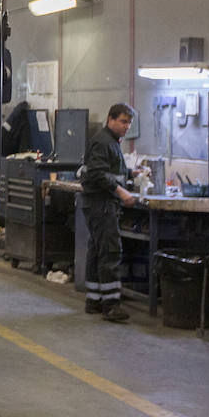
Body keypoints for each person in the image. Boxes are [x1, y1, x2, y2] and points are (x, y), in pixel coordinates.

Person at [79, 103, 136, 322]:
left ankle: (94, 300)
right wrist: (122, 193)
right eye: (123, 121)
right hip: (101, 204)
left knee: (98, 251)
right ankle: (111, 306)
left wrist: (132, 172)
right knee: (110, 252)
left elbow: (110, 170)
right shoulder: (103, 141)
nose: (126, 126)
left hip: (99, 204)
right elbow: (98, 174)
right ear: (110, 119)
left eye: (129, 122)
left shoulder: (110, 142)